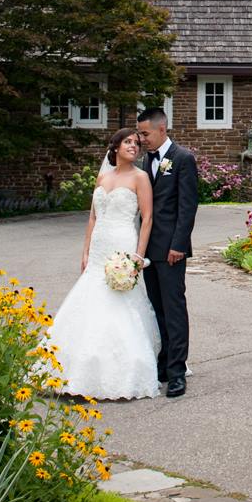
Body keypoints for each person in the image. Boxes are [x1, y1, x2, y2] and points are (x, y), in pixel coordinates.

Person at [41, 128, 162, 400]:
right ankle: (72, 370)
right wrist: (85, 252)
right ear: (116, 146)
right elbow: (93, 218)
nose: (134, 146)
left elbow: (148, 218)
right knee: (89, 298)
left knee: (119, 302)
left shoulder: (140, 178)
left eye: (137, 143)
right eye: (128, 142)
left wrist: (138, 257)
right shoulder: (102, 177)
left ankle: (118, 371)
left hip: (123, 243)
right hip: (98, 248)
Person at [137, 105, 197, 397]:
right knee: (156, 310)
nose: (142, 139)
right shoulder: (143, 162)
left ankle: (177, 371)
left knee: (174, 310)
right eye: (139, 134)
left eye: (145, 133)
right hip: (148, 250)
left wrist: (179, 246)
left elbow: (187, 207)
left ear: (162, 129)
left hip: (171, 249)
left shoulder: (183, 159)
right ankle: (162, 363)